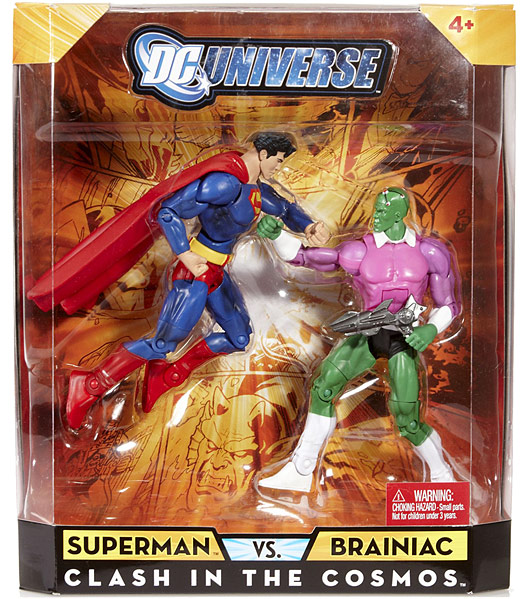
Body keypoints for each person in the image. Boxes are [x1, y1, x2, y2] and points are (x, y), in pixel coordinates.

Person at [29, 132, 330, 428]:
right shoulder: (223, 184)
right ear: (263, 154)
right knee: (164, 342)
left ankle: (167, 375)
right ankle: (91, 384)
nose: (279, 166)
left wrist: (310, 227)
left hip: (217, 272)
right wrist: (184, 254)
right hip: (194, 274)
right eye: (279, 160)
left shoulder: (256, 191)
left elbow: (285, 208)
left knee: (238, 338)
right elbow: (169, 211)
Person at [256, 187, 460, 492]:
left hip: (404, 338)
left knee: (407, 420)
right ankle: (300, 470)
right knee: (324, 387)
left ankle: (443, 476)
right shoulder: (359, 251)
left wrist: (429, 329)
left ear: (399, 214)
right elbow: (306, 258)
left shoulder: (429, 253)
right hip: (367, 331)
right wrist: (277, 236)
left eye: (384, 210)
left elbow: (448, 305)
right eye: (376, 208)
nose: (376, 215)